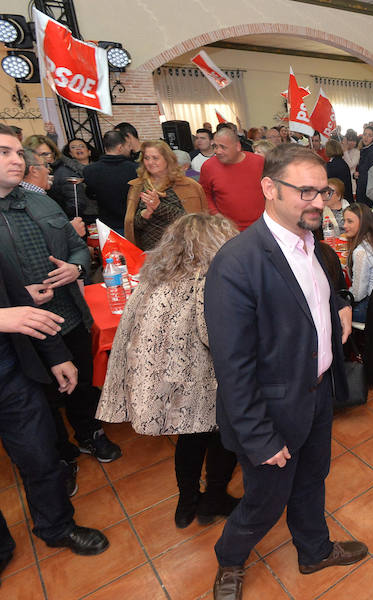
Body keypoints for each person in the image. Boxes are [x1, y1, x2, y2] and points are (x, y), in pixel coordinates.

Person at [205, 145, 366, 599]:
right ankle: (230, 559)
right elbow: (232, 365)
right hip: (271, 410)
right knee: (264, 500)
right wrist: (258, 437)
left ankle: (314, 550)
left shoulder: (308, 243)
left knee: (313, 479)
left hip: (314, 395)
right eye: (306, 191)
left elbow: (312, 297)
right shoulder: (238, 261)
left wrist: (339, 307)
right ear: (270, 189)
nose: (318, 201)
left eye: (324, 190)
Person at [97, 214, 241, 529]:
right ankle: (214, 497)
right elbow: (218, 338)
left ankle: (187, 502)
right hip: (206, 381)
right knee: (223, 438)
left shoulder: (153, 276)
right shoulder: (209, 280)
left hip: (168, 383)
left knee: (190, 442)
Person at [0, 125, 123, 489]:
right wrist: (15, 297)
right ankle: (60, 454)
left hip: (69, 316)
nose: (16, 160)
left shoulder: (40, 200)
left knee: (82, 382)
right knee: (41, 399)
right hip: (21, 332)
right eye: (5, 152)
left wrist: (77, 267)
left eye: (19, 153)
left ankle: (89, 432)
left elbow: (78, 245)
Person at [0, 245, 110, 571]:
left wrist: (57, 355)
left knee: (42, 456)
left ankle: (57, 526)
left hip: (12, 379)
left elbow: (21, 305)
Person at [125, 140, 206, 250]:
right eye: (146, 158)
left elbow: (191, 221)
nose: (150, 162)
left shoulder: (188, 185)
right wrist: (145, 214)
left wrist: (159, 207)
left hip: (181, 250)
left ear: (167, 159)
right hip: (150, 253)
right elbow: (134, 227)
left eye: (155, 158)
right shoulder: (137, 187)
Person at [200, 127, 265, 231]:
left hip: (261, 227)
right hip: (228, 230)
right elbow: (205, 195)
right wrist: (216, 215)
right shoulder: (208, 167)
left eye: (223, 147)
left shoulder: (259, 162)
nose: (218, 151)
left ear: (238, 146)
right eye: (215, 146)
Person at [20, 148, 85, 238]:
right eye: (45, 166)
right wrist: (70, 232)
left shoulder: (33, 196)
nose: (48, 170)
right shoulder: (29, 200)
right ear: (34, 170)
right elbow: (38, 239)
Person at [83, 130, 138, 235]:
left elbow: (90, 194)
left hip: (105, 225)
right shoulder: (135, 169)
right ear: (120, 147)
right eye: (128, 146)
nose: (130, 149)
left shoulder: (89, 170)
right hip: (130, 224)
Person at [24, 134, 89, 221]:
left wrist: (57, 220)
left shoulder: (64, 173)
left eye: (45, 154)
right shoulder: (26, 177)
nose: (42, 159)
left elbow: (77, 204)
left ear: (54, 154)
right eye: (36, 155)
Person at [355, 125, 373, 206]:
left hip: (368, 190)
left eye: (369, 135)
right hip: (364, 187)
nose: (366, 137)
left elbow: (372, 173)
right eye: (365, 134)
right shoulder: (365, 150)